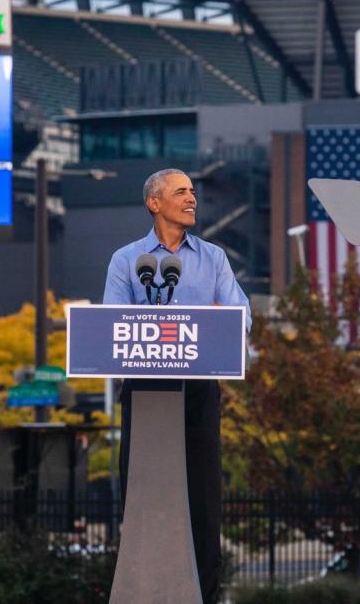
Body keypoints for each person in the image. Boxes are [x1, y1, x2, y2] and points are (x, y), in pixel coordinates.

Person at [102, 167, 251, 603]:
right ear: (154, 203)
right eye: (181, 191)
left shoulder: (214, 258)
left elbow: (241, 315)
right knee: (142, 500)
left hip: (199, 391)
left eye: (193, 192)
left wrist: (206, 326)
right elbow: (112, 324)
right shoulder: (127, 260)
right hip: (146, 392)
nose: (192, 199)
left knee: (203, 505)